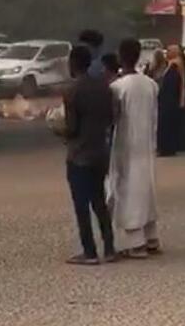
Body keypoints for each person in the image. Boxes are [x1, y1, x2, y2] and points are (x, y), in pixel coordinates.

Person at [62, 45, 116, 265]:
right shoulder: (104, 87)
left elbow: (71, 128)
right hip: (100, 151)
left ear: (74, 64)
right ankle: (110, 247)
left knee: (81, 206)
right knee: (99, 202)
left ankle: (90, 251)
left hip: (79, 154)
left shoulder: (72, 91)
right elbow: (111, 118)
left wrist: (59, 130)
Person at [108, 38, 161, 259]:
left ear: (120, 57)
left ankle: (136, 242)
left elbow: (112, 118)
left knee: (127, 190)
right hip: (147, 143)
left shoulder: (117, 87)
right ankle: (151, 237)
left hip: (125, 145)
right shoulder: (151, 84)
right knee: (146, 188)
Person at [157, 45, 185, 157]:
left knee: (167, 124)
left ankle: (166, 148)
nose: (166, 53)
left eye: (169, 51)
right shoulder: (174, 64)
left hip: (169, 100)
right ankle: (169, 148)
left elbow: (172, 84)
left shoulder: (174, 66)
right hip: (171, 100)